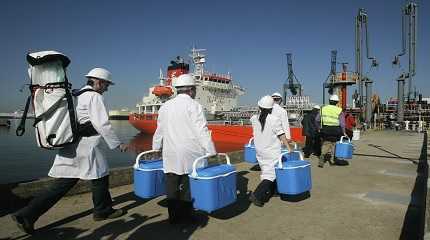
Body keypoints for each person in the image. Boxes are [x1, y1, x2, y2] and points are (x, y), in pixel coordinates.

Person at [11, 68, 129, 234]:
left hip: (71, 144)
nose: (107, 88)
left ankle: (27, 215)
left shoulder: (75, 94)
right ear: (99, 82)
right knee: (100, 177)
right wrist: (118, 144)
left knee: (62, 184)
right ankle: (102, 211)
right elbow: (102, 124)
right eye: (106, 84)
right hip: (88, 145)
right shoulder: (94, 97)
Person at [152, 74, 216, 224]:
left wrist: (155, 147)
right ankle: (188, 216)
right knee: (188, 185)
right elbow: (202, 131)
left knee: (172, 184)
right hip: (190, 151)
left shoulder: (165, 106)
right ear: (191, 90)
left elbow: (159, 130)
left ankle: (174, 217)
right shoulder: (194, 106)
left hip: (170, 151)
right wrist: (211, 151)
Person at [249, 96, 292, 207]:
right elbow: (281, 134)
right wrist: (288, 147)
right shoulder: (274, 119)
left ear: (259, 106)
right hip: (272, 150)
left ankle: (274, 191)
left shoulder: (253, 118)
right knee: (271, 174)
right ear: (271, 108)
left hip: (259, 150)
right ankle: (257, 195)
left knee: (266, 171)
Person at [319, 94, 347, 168]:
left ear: (329, 101)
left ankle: (322, 156)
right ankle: (334, 159)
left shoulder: (323, 109)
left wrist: (319, 127)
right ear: (337, 102)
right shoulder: (339, 110)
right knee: (335, 144)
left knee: (326, 143)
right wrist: (344, 132)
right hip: (336, 130)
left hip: (325, 129)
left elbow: (317, 120)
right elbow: (342, 123)